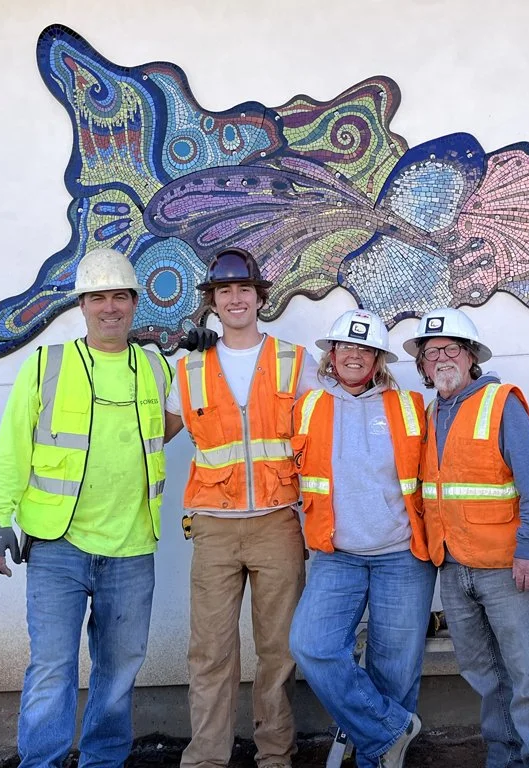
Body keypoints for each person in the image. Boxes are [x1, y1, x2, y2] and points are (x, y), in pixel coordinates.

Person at [0, 247, 173, 768]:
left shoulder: (156, 368)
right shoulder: (48, 364)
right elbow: (12, 448)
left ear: (135, 303)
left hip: (132, 547)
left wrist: (202, 359)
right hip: (57, 546)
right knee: (52, 668)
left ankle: (102, 763)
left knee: (119, 672)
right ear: (82, 305)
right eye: (98, 297)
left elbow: (170, 427)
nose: (110, 307)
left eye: (120, 297)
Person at [164, 248, 317, 768]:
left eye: (244, 289)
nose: (235, 299)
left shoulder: (295, 360)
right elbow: (155, 432)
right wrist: (161, 357)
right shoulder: (189, 367)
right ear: (212, 301)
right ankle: (207, 758)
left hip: (278, 523)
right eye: (224, 291)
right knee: (210, 651)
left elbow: (325, 430)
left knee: (279, 651)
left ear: (259, 297)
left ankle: (275, 754)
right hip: (214, 527)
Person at [403, 308, 529, 768]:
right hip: (453, 568)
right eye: (430, 352)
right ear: (422, 366)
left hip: (506, 568)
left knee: (526, 675)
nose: (441, 358)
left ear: (471, 355)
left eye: (451, 348)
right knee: (485, 676)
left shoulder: (501, 403)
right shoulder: (430, 413)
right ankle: (504, 759)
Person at [288, 309, 435, 768]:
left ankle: (381, 755)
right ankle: (392, 729)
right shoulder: (308, 406)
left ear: (378, 359)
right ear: (331, 354)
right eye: (346, 347)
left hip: (402, 556)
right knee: (311, 645)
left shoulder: (410, 406)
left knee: (394, 674)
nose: (354, 356)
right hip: (338, 555)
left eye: (365, 349)